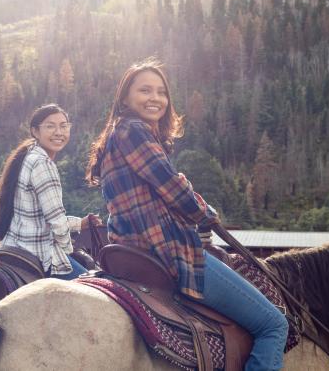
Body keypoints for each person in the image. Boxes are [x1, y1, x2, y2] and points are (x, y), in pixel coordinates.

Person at [86, 59, 288, 371]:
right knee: (273, 325)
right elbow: (172, 186)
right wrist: (206, 214)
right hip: (167, 249)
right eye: (144, 90)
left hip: (131, 246)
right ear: (125, 98)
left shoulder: (118, 134)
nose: (155, 98)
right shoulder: (135, 131)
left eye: (161, 92)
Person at [0, 104, 87, 280]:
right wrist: (67, 252)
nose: (59, 132)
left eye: (64, 126)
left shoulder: (28, 156)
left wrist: (80, 223)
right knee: (91, 286)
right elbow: (56, 221)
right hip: (38, 252)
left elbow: (39, 218)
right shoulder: (43, 164)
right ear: (35, 131)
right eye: (50, 126)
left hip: (13, 246)